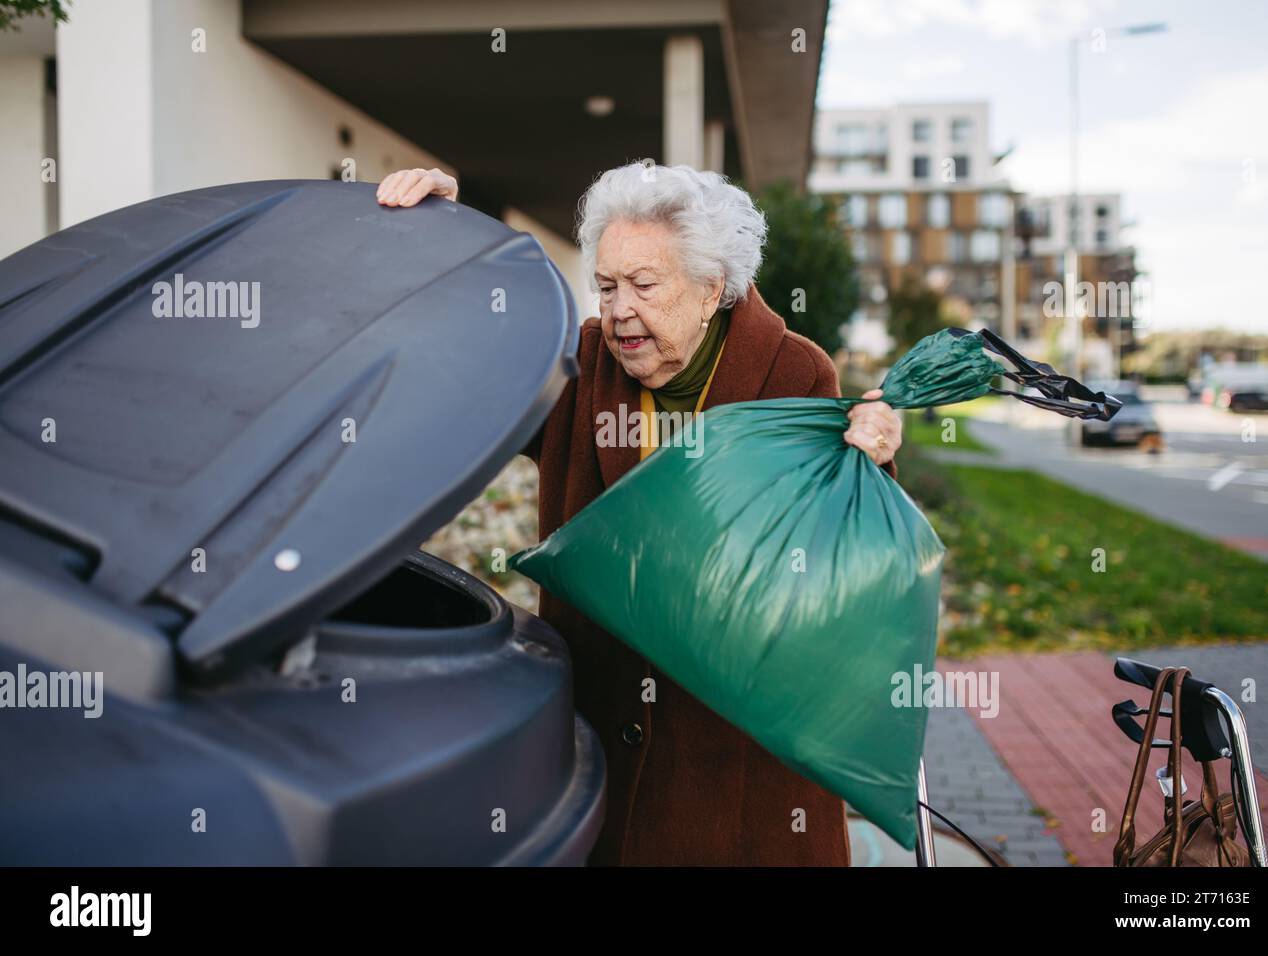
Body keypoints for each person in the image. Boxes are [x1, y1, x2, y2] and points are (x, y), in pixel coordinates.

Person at [376, 162, 904, 866]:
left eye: (644, 286)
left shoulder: (794, 375)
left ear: (712, 288)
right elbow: (474, 352)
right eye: (605, 285)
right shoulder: (579, 365)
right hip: (600, 759)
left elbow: (841, 543)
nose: (619, 309)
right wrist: (441, 238)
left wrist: (876, 454)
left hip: (738, 777)